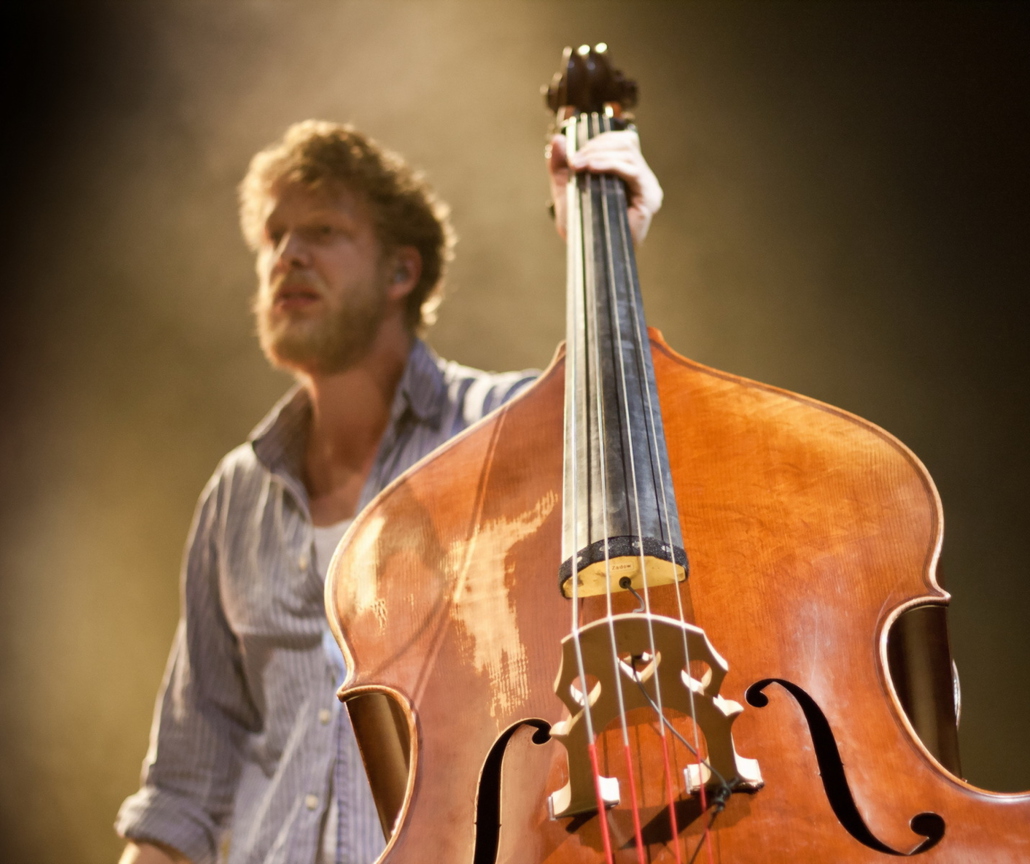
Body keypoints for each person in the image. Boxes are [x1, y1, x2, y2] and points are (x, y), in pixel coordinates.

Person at [114, 120, 664, 864]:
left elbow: (630, 461)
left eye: (323, 230)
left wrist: (604, 249)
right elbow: (183, 790)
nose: (288, 256)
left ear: (401, 273)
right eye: (274, 237)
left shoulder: (499, 431)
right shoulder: (237, 493)